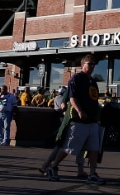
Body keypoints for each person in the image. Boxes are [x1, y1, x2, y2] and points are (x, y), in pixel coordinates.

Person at [43, 54, 104, 185]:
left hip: (92, 121)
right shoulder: (76, 79)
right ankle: (52, 167)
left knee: (94, 148)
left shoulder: (93, 82)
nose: (92, 66)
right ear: (83, 65)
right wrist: (80, 111)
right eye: (90, 64)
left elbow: (94, 100)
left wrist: (97, 115)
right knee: (69, 148)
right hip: (79, 120)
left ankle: (92, 173)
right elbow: (72, 98)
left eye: (94, 64)